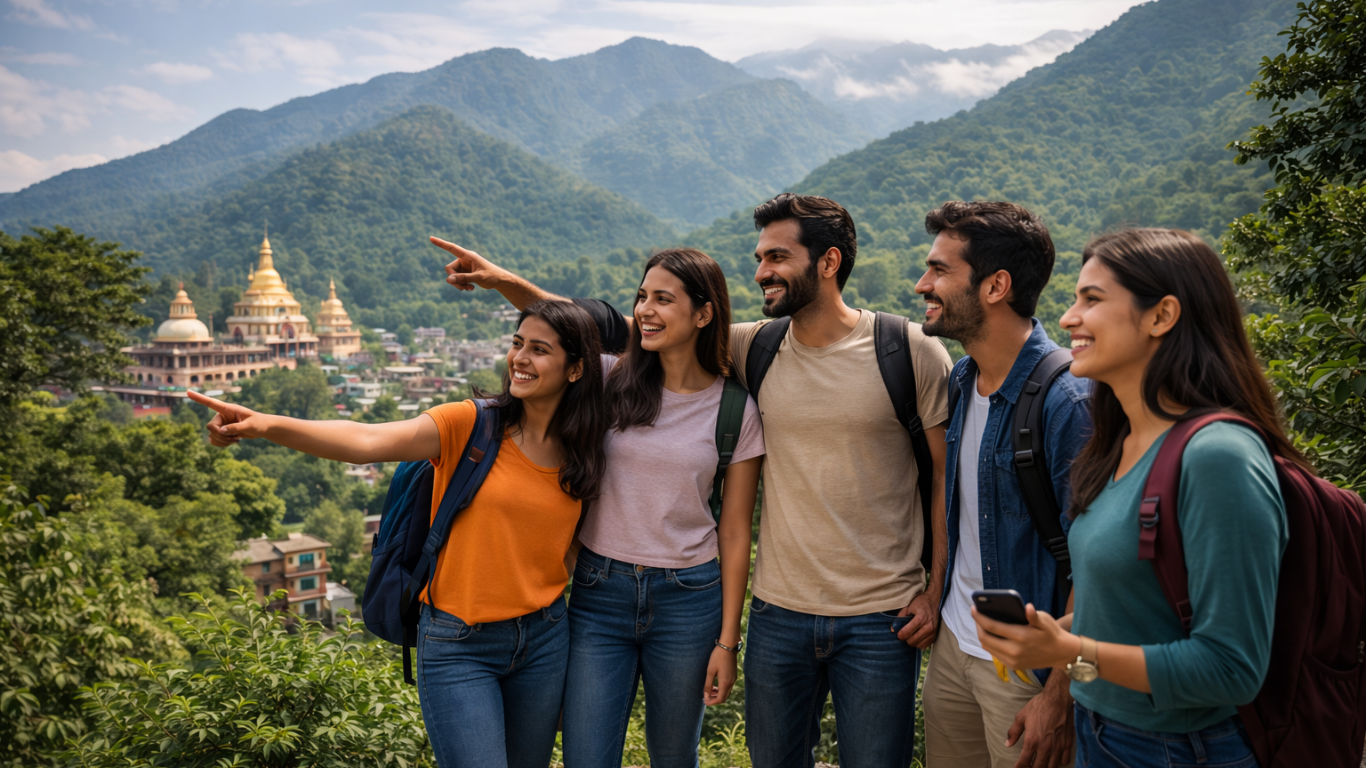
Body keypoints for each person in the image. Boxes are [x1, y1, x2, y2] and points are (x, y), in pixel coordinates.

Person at [432, 191, 952, 768]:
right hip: (718, 603)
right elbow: (592, 328)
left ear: (827, 263)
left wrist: (936, 589)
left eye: (776, 258)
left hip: (848, 611)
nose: (761, 272)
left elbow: (942, 482)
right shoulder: (752, 346)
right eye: (760, 258)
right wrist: (502, 280)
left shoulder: (903, 351)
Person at [188, 300, 610, 768]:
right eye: (516, 343)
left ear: (575, 369)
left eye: (539, 349)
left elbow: (569, 553)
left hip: (543, 640)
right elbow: (365, 441)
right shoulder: (470, 424)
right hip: (457, 643)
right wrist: (265, 425)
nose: (520, 359)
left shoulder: (585, 449)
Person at [972, 228, 1295, 768]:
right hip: (1102, 734)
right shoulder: (1118, 441)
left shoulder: (1217, 456)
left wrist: (1067, 653)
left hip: (1181, 750)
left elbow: (1231, 669)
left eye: (1092, 299)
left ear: (1161, 316)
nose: (1069, 317)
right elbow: (1132, 621)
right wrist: (1052, 638)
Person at [561, 248, 764, 768]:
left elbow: (736, 532)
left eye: (663, 299)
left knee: (674, 756)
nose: (645, 310)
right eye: (642, 297)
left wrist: (727, 642)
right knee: (586, 755)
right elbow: (547, 335)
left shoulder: (736, 408)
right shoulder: (607, 379)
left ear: (703, 313)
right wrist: (498, 281)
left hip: (688, 602)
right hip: (598, 592)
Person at [912, 201, 1091, 768]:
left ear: (996, 286)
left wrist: (1060, 695)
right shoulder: (963, 379)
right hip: (953, 652)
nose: (923, 284)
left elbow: (1099, 566)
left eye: (940, 270)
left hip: (1027, 672)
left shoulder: (1068, 404)